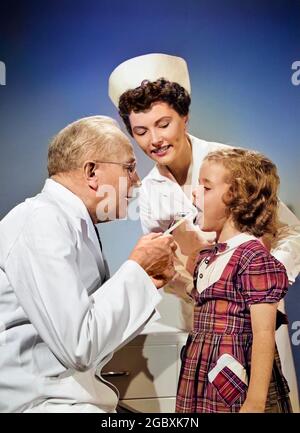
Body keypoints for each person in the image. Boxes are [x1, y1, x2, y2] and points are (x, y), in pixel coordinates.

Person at [108, 53, 300, 411]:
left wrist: (257, 283)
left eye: (163, 123)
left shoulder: (231, 163)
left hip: (256, 318)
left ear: (185, 117)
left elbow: (291, 232)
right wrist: (197, 287)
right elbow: (167, 270)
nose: (154, 140)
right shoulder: (149, 191)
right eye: (141, 131)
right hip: (206, 324)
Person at [0, 115, 177, 413]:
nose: (137, 181)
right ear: (92, 172)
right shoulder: (41, 220)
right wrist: (138, 269)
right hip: (40, 404)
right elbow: (80, 346)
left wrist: (146, 279)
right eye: (130, 168)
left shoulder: (71, 223)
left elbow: (94, 330)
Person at [176, 148, 292, 412]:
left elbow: (264, 334)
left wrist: (255, 401)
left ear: (235, 199)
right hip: (202, 371)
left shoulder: (253, 258)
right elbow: (206, 298)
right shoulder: (209, 255)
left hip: (234, 377)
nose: (195, 193)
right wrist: (173, 275)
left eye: (206, 187)